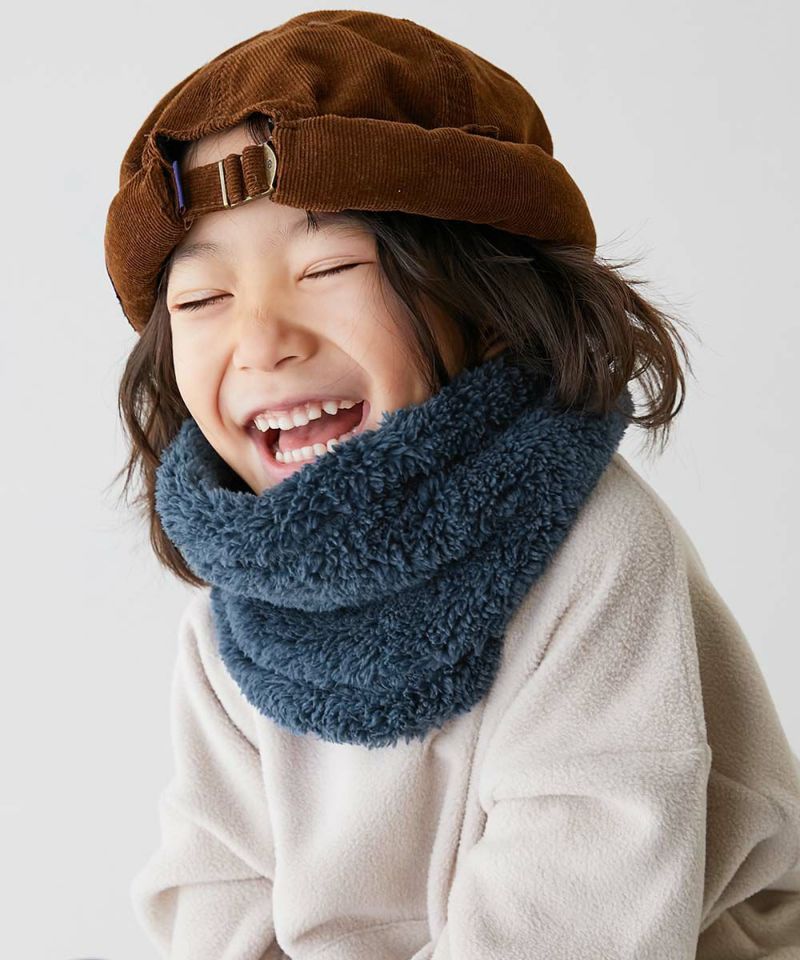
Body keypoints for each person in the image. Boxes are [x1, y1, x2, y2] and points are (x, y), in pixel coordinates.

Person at [105, 10, 800, 959]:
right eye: (202, 298)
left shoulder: (592, 551)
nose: (262, 340)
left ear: (489, 301)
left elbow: (575, 913)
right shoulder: (237, 613)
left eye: (329, 265)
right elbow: (215, 885)